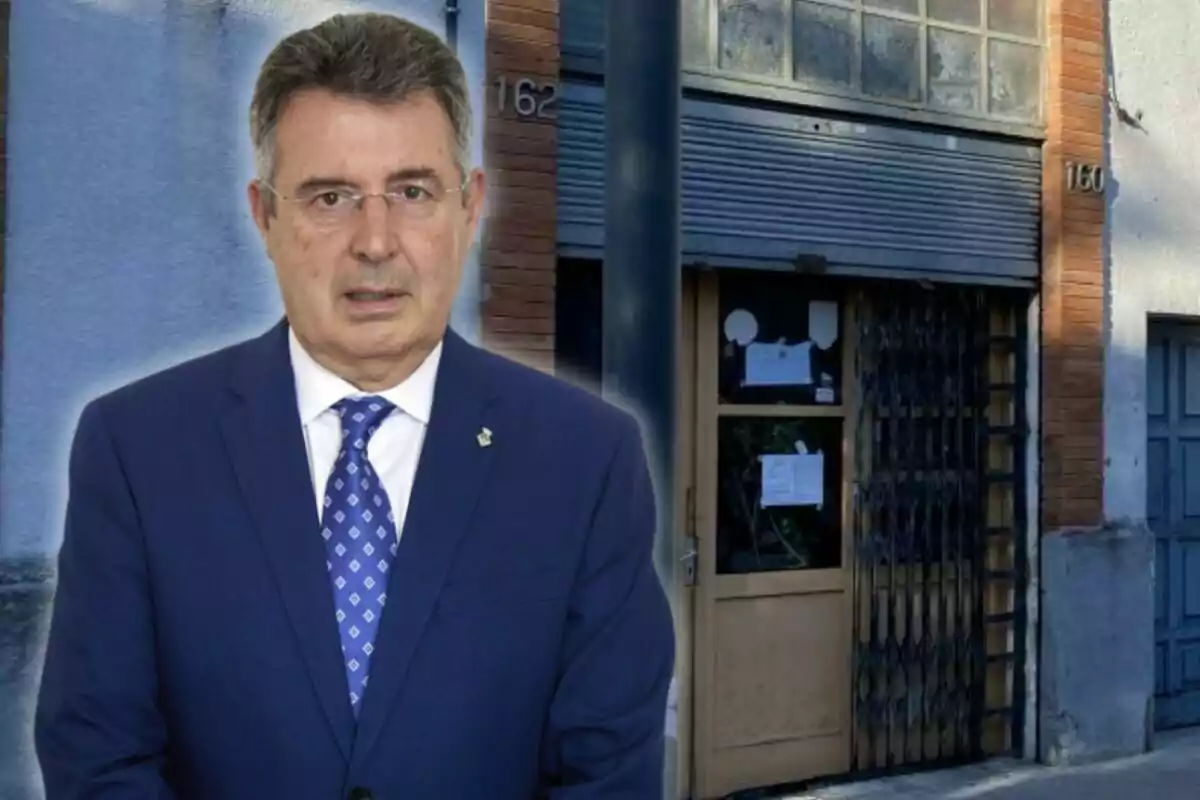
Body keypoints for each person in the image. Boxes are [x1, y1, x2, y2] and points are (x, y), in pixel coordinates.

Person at [34, 12, 675, 800]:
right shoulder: (137, 449)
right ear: (265, 216)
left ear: (469, 210)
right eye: (330, 196)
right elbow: (97, 759)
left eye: (411, 191)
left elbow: (607, 774)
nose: (375, 241)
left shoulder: (586, 461)